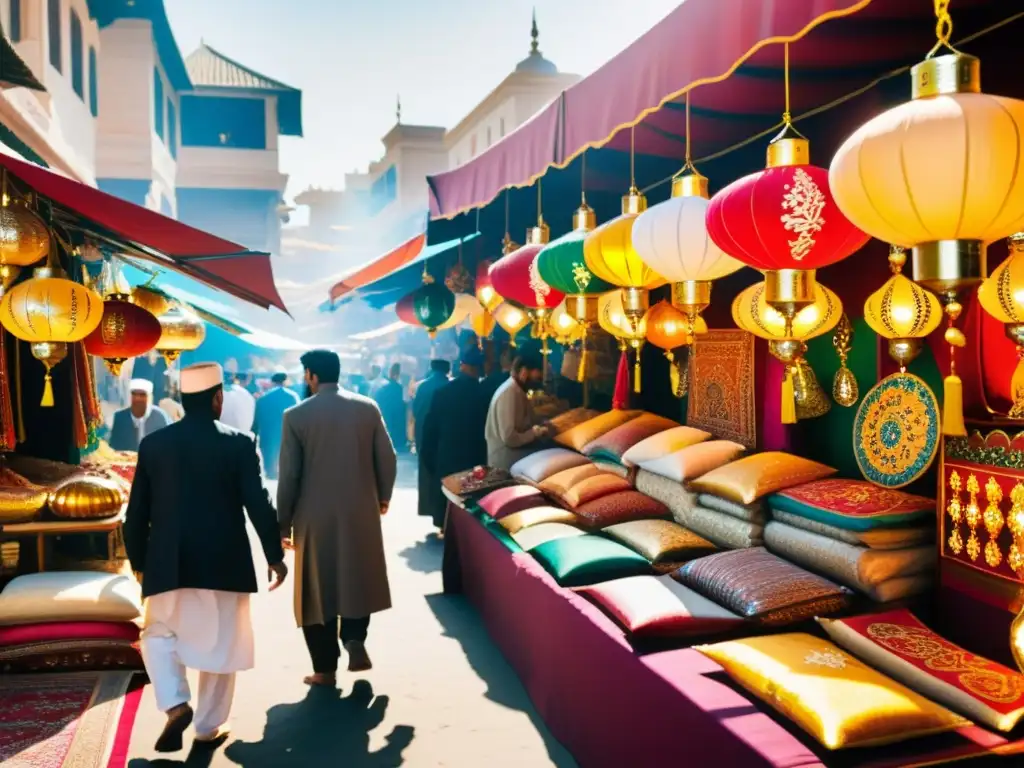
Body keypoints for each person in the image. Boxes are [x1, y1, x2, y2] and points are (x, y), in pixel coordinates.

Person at [124, 362, 287, 752]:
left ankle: (175, 703)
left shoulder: (154, 445)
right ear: (218, 399)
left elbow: (137, 514)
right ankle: (207, 726)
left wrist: (138, 561)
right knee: (222, 645)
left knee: (159, 635)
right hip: (224, 561)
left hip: (168, 561)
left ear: (181, 400)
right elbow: (258, 503)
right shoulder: (239, 443)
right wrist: (274, 553)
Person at [278, 349, 397, 685]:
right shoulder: (366, 408)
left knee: (317, 591)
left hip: (314, 516)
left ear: (311, 375)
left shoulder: (296, 416)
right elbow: (387, 458)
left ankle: (324, 669)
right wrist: (383, 496)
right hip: (361, 510)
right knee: (356, 577)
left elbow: (289, 476)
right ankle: (355, 639)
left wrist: (282, 523)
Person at [421, 347, 488, 530]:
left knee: (448, 500)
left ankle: (446, 526)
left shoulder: (443, 392)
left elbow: (430, 429)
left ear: (461, 366)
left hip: (447, 456)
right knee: (471, 503)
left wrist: (429, 458)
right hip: (475, 456)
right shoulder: (484, 393)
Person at [484, 353, 550, 470]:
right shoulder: (509, 393)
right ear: (524, 372)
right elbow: (509, 438)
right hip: (505, 460)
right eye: (537, 375)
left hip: (512, 455)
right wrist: (535, 433)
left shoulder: (517, 390)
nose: (538, 380)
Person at [412, 359, 450, 519]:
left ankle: (427, 507)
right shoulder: (448, 385)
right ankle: (440, 512)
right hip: (443, 435)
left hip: (422, 433)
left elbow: (414, 410)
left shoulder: (422, 386)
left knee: (426, 472)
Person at [252, 367, 300, 479]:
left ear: (272, 382)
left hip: (267, 434)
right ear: (285, 381)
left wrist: (254, 434)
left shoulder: (263, 398)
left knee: (269, 464)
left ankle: (271, 475)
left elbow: (256, 419)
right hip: (287, 433)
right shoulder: (292, 396)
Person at [109, 379, 172, 451]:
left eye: (142, 395)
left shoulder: (160, 417)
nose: (137, 398)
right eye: (134, 394)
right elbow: (113, 447)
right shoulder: (120, 418)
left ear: (150, 397)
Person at [373, 363, 407, 453]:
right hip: (398, 423)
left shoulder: (382, 388)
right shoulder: (401, 389)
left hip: (386, 418)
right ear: (397, 375)